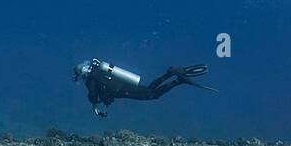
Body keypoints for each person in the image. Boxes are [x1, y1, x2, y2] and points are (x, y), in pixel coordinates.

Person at [74, 58, 217, 116]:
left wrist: (96, 107)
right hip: (123, 86)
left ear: (82, 73)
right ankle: (173, 77)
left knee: (151, 94)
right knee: (149, 90)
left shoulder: (91, 80)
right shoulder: (98, 72)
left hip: (122, 90)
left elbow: (93, 96)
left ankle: (175, 78)